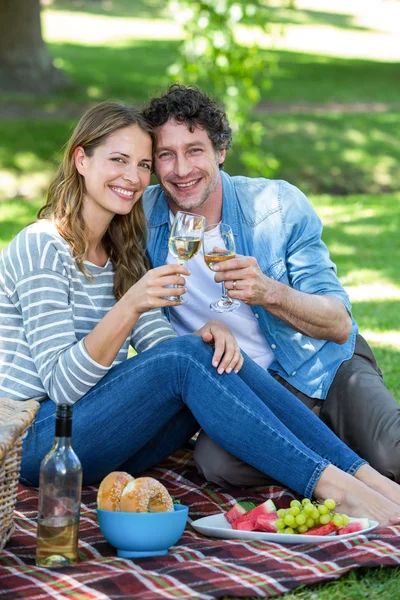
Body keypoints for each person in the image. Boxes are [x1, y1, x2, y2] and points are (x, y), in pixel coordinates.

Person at [1, 101, 400, 525]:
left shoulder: (122, 250)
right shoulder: (43, 245)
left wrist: (207, 333)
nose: (133, 177)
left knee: (201, 351)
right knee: (191, 362)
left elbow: (162, 347)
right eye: (119, 160)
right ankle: (333, 487)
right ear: (81, 158)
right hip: (41, 440)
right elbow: (61, 387)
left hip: (111, 436)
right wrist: (132, 303)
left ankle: (369, 480)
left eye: (140, 164)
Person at [141, 83, 400, 489]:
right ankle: (340, 456)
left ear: (220, 152)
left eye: (194, 150)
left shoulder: (277, 206)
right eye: (165, 155)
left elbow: (339, 325)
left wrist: (269, 292)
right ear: (153, 163)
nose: (181, 169)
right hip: (253, 391)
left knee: (394, 456)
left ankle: (342, 450)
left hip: (324, 368)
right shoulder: (140, 219)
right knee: (216, 464)